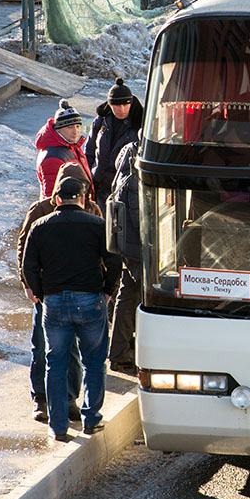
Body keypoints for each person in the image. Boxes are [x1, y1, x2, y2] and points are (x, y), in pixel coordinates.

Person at [21, 175, 121, 442]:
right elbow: (114, 262)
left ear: (56, 199)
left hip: (53, 304)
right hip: (90, 300)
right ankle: (91, 420)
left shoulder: (40, 226)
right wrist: (108, 292)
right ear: (83, 198)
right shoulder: (98, 225)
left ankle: (59, 425)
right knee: (94, 362)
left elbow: (28, 266)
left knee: (55, 363)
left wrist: (42, 295)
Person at [15, 165, 102, 422]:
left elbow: (104, 251)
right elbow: (25, 249)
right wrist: (29, 285)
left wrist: (104, 289)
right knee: (42, 347)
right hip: (47, 292)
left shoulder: (92, 210)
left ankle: (68, 399)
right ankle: (40, 399)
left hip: (82, 291)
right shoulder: (40, 211)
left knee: (73, 350)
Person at [107, 140, 142, 373]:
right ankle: (121, 353)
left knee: (127, 295)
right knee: (131, 297)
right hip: (138, 248)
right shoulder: (134, 181)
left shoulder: (126, 169)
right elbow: (140, 216)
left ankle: (120, 352)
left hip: (129, 247)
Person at [86, 78, 143, 205]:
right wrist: (88, 176)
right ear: (110, 105)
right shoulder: (101, 121)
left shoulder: (140, 122)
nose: (121, 109)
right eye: (117, 105)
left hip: (126, 186)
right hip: (100, 183)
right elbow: (89, 151)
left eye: (125, 105)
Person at [35, 100, 92, 199]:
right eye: (70, 127)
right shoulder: (53, 157)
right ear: (59, 129)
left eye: (78, 126)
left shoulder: (72, 146)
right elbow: (51, 198)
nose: (76, 131)